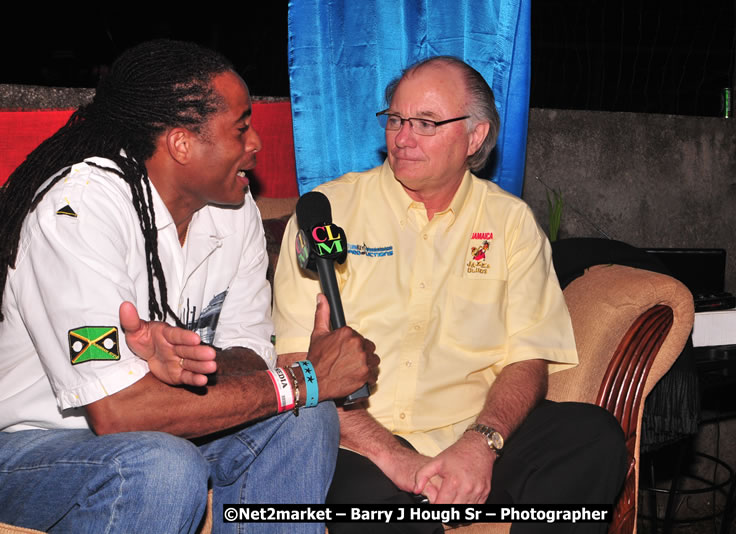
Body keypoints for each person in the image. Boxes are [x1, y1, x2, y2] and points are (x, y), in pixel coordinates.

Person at [0, 39, 378, 534]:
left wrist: (194, 367)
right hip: (31, 444)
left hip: (159, 430)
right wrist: (306, 378)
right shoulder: (80, 209)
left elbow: (248, 352)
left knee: (306, 419)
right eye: (241, 127)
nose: (256, 143)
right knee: (160, 465)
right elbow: (117, 414)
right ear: (181, 143)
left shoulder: (234, 207)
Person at [272, 56, 628, 533]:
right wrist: (397, 458)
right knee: (392, 513)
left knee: (590, 436)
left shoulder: (510, 223)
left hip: (468, 439)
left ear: (475, 137)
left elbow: (528, 359)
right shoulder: (327, 213)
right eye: (396, 119)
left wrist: (481, 444)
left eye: (426, 123)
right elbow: (296, 366)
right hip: (356, 446)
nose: (402, 137)